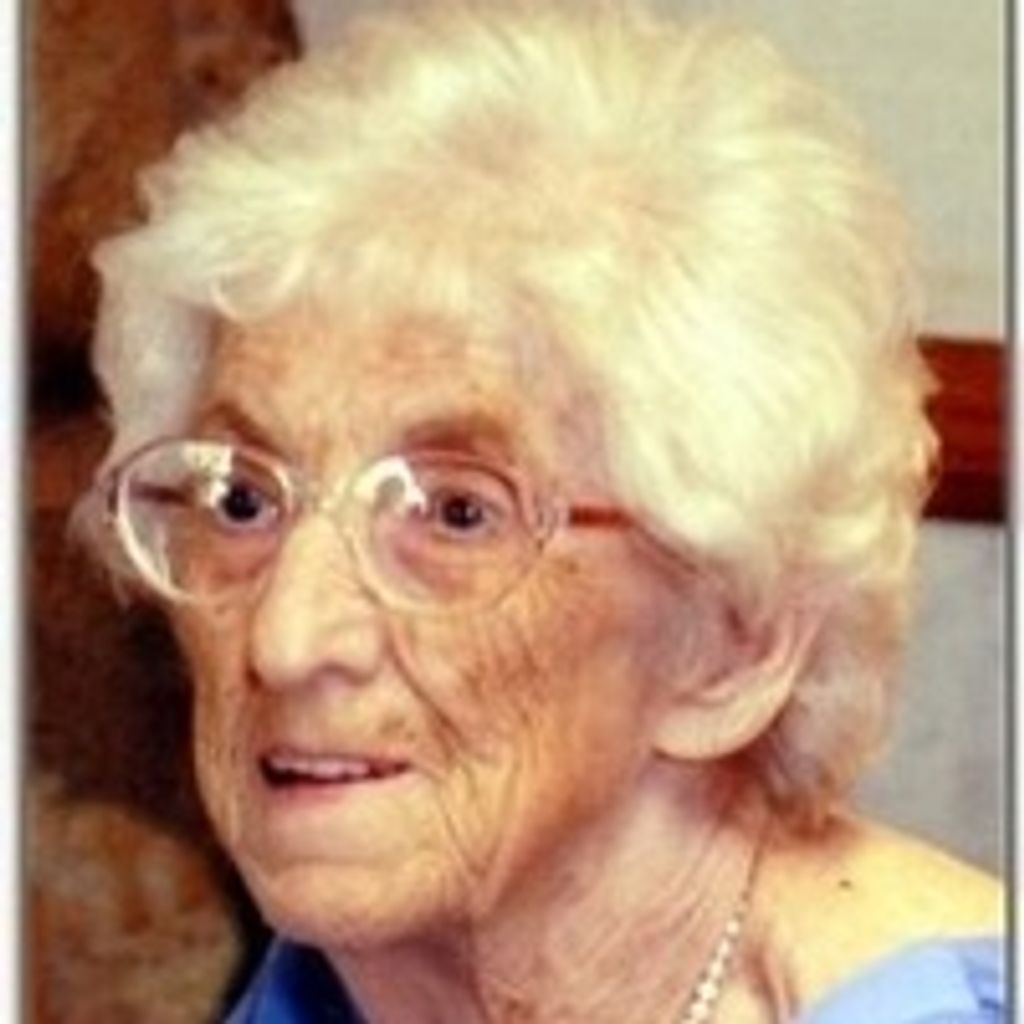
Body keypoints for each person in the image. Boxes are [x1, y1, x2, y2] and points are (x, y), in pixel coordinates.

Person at [76, 1, 1004, 1020]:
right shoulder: (329, 986)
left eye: (455, 513)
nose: (286, 640)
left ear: (730, 645)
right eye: (244, 499)